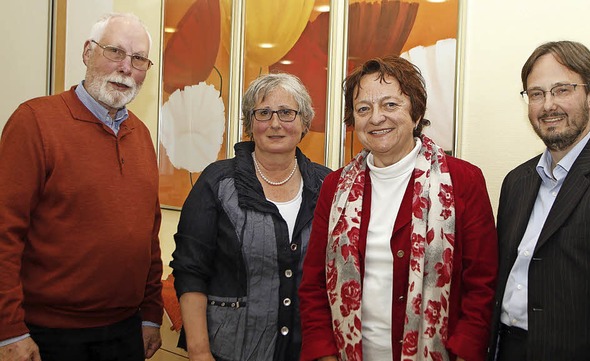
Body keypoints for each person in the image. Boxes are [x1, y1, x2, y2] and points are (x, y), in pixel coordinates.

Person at [299, 55, 498, 361]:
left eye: (390, 105)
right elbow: (313, 284)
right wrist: (324, 355)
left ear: (416, 113)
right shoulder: (335, 187)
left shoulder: (463, 180)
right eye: (363, 108)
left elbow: (481, 283)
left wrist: (464, 353)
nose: (376, 118)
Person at [0, 12, 163, 361]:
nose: (125, 68)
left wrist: (151, 315)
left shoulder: (142, 136)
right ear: (88, 52)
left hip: (124, 331)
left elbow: (149, 235)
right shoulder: (34, 123)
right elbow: (4, 234)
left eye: (138, 59)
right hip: (47, 336)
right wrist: (9, 330)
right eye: (115, 52)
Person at [488, 40, 590, 361]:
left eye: (561, 90)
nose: (547, 105)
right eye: (537, 93)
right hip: (506, 349)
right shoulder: (516, 181)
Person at [170, 73, 331, 361]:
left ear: (305, 122)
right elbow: (190, 270)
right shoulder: (217, 182)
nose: (275, 123)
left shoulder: (327, 185)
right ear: (249, 123)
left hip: (306, 351)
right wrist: (200, 352)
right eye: (263, 113)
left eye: (286, 112)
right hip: (229, 351)